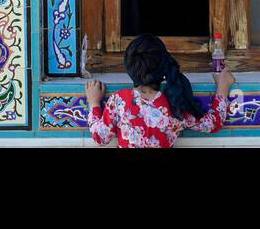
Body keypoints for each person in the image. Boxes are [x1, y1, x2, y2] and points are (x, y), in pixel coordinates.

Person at [86, 33, 235, 148]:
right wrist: (223, 86)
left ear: (129, 67)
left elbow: (100, 137)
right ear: (164, 66)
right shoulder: (175, 102)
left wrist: (94, 103)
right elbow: (213, 124)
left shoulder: (119, 101)